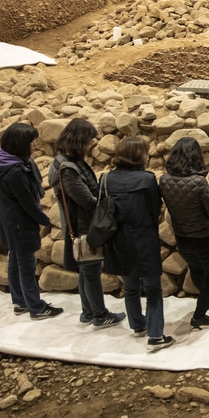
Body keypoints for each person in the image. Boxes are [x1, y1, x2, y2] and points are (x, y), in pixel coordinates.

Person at [50, 118, 126, 330]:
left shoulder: (67, 161)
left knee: (86, 272)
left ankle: (88, 311)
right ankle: (100, 315)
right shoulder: (68, 169)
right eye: (88, 140)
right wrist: (107, 204)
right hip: (83, 227)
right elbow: (87, 201)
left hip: (81, 224)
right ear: (78, 140)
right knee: (91, 272)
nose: (90, 144)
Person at [0, 123, 62, 320]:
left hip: (10, 220)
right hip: (20, 223)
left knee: (15, 260)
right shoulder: (15, 172)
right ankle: (36, 307)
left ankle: (20, 301)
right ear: (21, 144)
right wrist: (44, 219)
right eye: (31, 142)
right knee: (26, 265)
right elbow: (27, 203)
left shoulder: (1, 162)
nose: (35, 145)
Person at [105, 137, 171, 352]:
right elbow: (154, 210)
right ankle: (155, 335)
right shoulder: (147, 179)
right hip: (143, 237)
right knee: (152, 289)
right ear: (139, 155)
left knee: (130, 286)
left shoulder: (106, 179)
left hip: (118, 239)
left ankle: (137, 324)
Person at [160, 137, 209, 332]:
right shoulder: (198, 182)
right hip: (203, 237)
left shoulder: (164, 179)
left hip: (182, 237)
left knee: (196, 269)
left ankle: (206, 299)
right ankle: (199, 317)